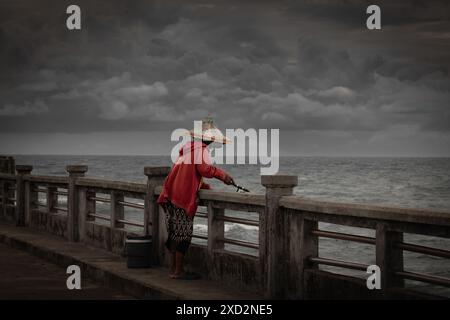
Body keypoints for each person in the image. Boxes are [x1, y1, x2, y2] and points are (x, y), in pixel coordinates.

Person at [157, 117, 234, 280]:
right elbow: (204, 169)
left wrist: (203, 186)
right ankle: (178, 271)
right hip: (182, 199)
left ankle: (173, 269)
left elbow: (189, 174)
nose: (213, 142)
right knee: (183, 235)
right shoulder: (201, 150)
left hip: (171, 196)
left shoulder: (187, 149)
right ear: (207, 138)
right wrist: (223, 175)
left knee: (174, 234)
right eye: (212, 139)